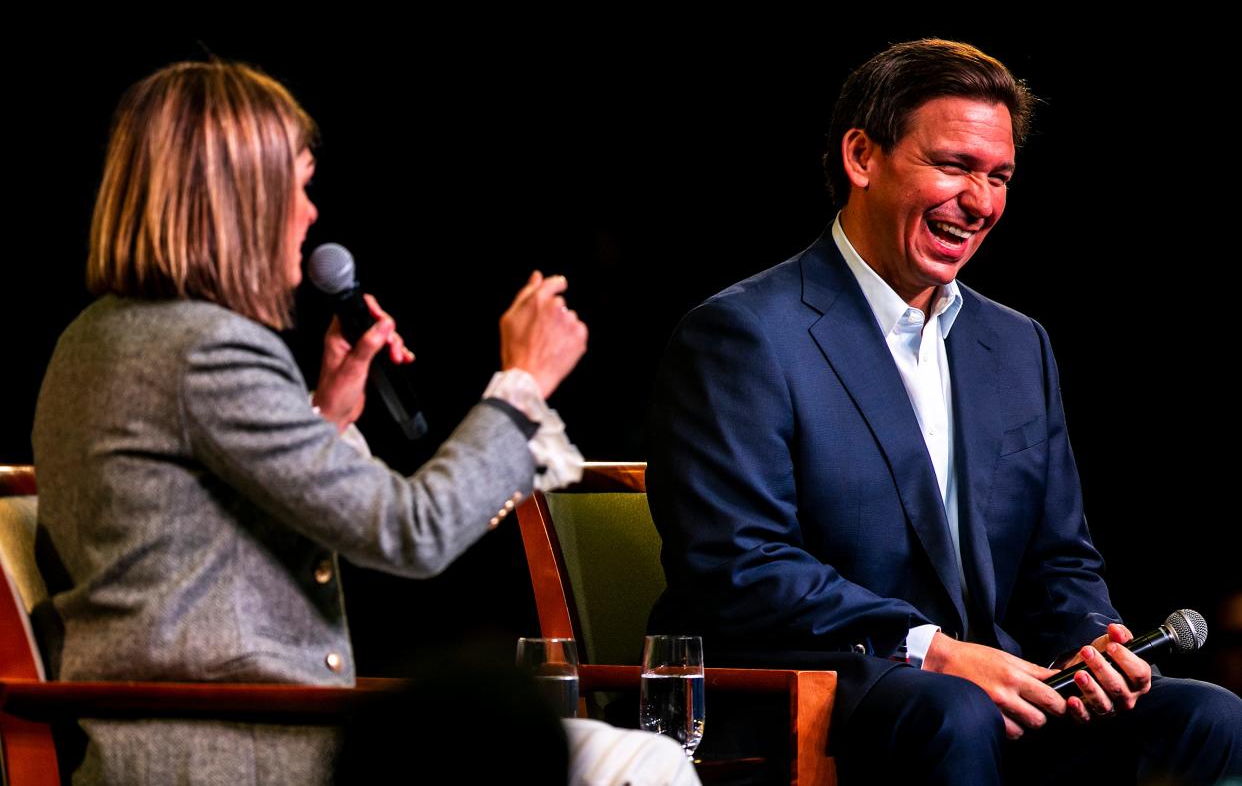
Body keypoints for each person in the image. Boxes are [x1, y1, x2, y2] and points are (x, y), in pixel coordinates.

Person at [33, 60, 695, 785]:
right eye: (298, 185)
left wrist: (324, 415)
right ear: (238, 200)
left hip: (233, 735)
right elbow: (413, 532)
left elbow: (193, 535)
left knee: (620, 756)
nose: (311, 213)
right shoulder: (206, 350)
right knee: (642, 763)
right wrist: (521, 385)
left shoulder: (94, 339)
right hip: (239, 753)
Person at [646, 39, 1242, 785]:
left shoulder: (1016, 343)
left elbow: (1058, 557)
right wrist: (932, 649)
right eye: (955, 166)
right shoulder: (742, 335)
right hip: (821, 686)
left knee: (1214, 720)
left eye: (999, 177)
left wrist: (1092, 639)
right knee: (953, 714)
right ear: (863, 157)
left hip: (996, 686)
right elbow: (737, 566)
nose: (982, 202)